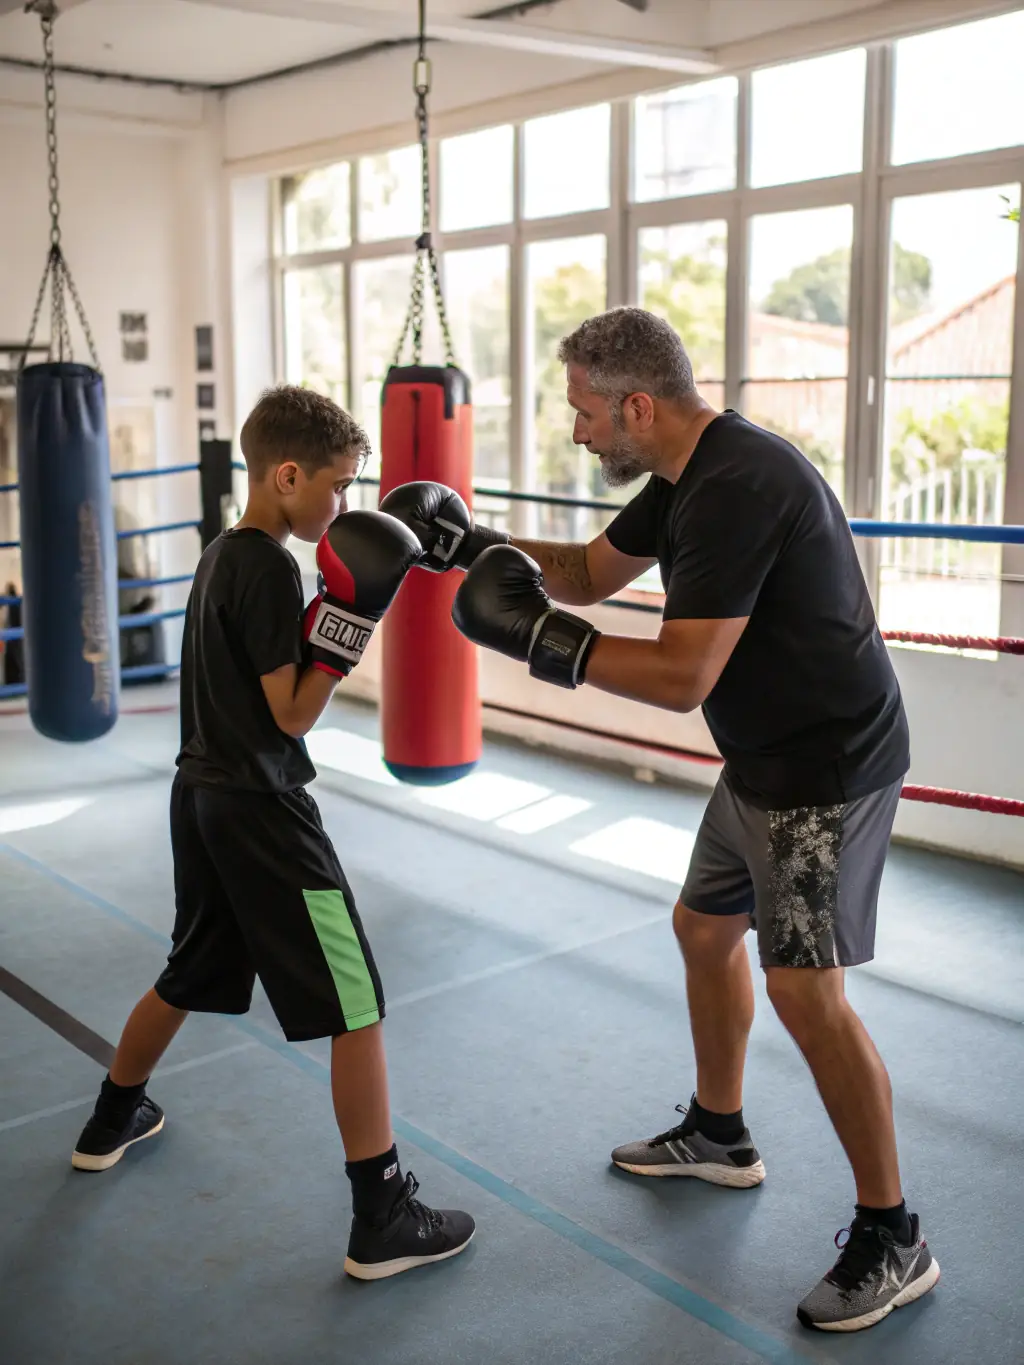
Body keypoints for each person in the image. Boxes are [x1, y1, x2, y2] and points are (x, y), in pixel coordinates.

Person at [383, 307, 939, 1332]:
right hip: (758, 757)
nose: (581, 433)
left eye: (587, 414)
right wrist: (472, 547)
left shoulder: (738, 486)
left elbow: (683, 677)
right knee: (700, 930)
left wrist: (543, 646)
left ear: (637, 404)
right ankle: (721, 1134)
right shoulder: (683, 473)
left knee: (804, 995)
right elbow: (591, 575)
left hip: (821, 768)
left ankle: (893, 1234)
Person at [70, 385, 475, 1282]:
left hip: (202, 794)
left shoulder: (222, 553)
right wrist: (351, 621)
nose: (342, 507)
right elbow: (291, 713)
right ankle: (382, 1214)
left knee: (190, 967)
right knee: (355, 999)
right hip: (261, 803)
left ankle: (112, 1117)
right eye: (336, 487)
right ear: (286, 474)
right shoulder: (268, 568)